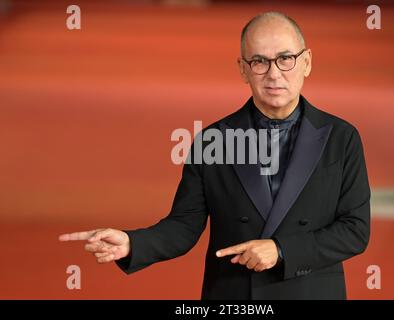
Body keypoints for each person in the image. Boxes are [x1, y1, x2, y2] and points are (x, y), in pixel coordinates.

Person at [59, 12, 370, 300]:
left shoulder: (341, 138)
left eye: (285, 59)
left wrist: (281, 250)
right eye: (260, 61)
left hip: (312, 292)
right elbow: (184, 226)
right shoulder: (213, 141)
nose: (274, 74)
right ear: (243, 69)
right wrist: (132, 243)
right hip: (234, 295)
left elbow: (355, 230)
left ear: (307, 62)